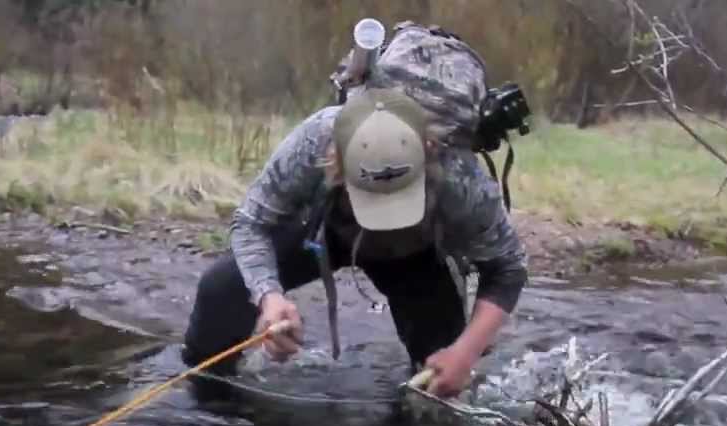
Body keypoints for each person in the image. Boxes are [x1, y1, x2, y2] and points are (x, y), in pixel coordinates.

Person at [181, 86, 528, 399]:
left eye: (395, 196)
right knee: (219, 292)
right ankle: (207, 391)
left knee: (441, 378)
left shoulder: (460, 177)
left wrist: (466, 352)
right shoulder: (314, 141)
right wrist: (269, 297)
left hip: (414, 253)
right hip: (326, 231)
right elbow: (251, 222)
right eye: (372, 197)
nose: (381, 214)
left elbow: (507, 268)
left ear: (429, 153)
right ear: (336, 162)